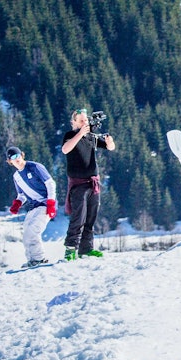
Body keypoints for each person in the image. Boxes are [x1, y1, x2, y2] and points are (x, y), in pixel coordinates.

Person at [62, 107, 115, 261]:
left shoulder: (91, 137)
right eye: (81, 121)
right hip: (78, 184)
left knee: (90, 218)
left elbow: (110, 147)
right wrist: (80, 133)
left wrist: (110, 142)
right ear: (74, 122)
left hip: (93, 183)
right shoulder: (70, 135)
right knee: (78, 217)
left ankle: (86, 249)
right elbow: (65, 149)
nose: (84, 123)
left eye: (86, 120)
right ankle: (70, 249)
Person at [5, 146, 57, 267]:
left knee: (33, 231)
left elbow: (50, 183)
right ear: (10, 161)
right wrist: (17, 204)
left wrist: (51, 203)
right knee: (26, 233)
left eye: (18, 155)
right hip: (34, 206)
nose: (17, 159)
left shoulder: (35, 167)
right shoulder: (16, 176)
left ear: (22, 155)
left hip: (45, 204)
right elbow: (22, 195)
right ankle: (32, 260)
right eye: (13, 157)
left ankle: (39, 259)